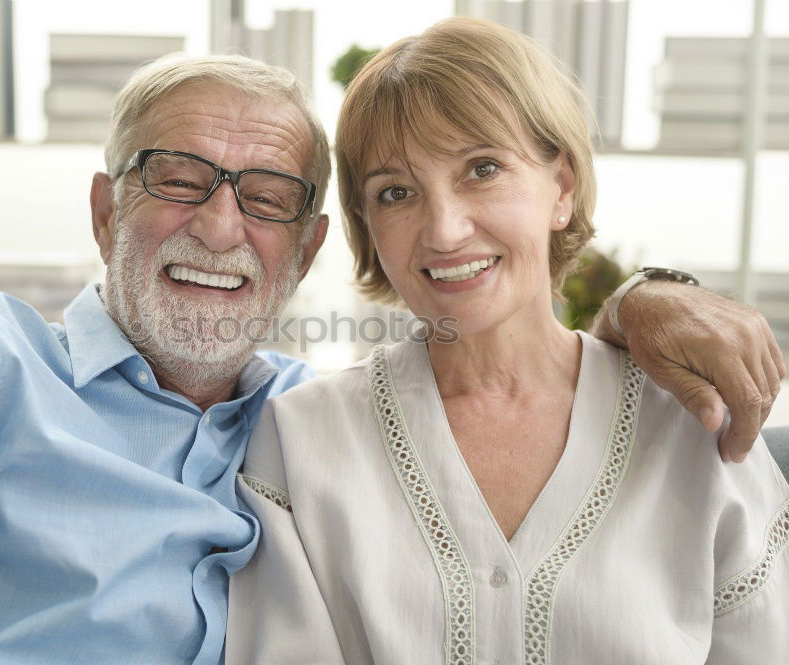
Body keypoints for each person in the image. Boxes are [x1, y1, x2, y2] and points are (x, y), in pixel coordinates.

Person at [0, 52, 779, 665]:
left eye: (265, 196)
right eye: (176, 177)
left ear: (304, 250)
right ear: (104, 212)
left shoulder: (295, 420)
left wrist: (644, 299)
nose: (220, 225)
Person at [226, 18, 789, 665]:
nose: (443, 229)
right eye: (396, 192)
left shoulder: (696, 425)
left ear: (564, 186)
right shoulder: (298, 442)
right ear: (367, 227)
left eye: (482, 168)